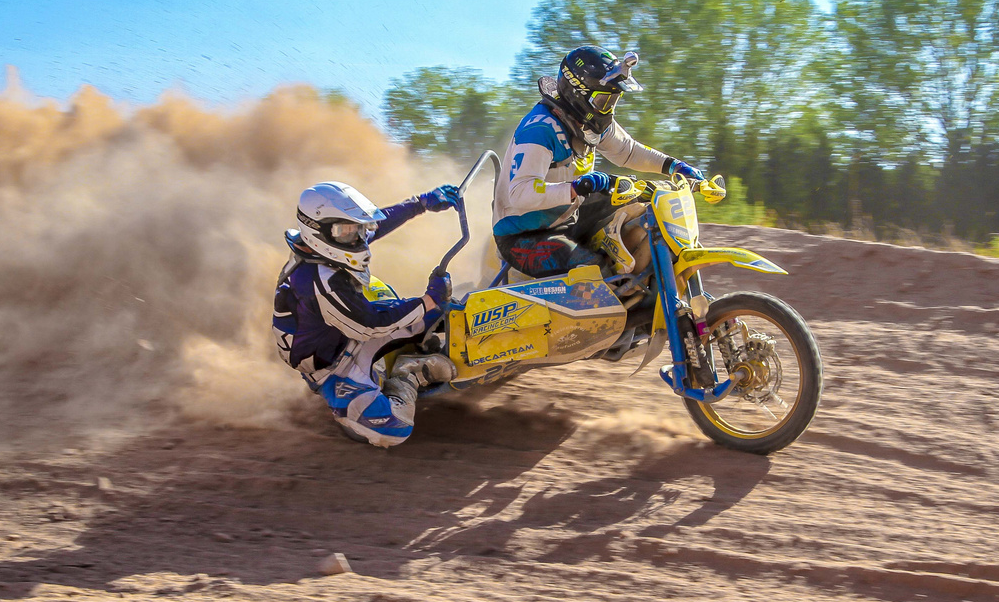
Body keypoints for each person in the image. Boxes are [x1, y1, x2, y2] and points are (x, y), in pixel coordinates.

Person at [492, 45, 708, 280]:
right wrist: (576, 188)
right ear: (579, 93)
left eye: (614, 99)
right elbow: (520, 193)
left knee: (649, 216)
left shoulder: (588, 120)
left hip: (568, 214)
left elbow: (629, 151)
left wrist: (674, 167)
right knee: (593, 270)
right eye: (604, 99)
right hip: (524, 234)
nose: (609, 108)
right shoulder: (540, 130)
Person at [273, 180, 460, 448]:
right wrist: (428, 299)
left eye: (358, 228)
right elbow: (369, 325)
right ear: (317, 230)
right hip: (332, 365)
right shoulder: (318, 280)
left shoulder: (324, 245)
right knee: (392, 430)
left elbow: (377, 227)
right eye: (347, 230)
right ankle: (408, 373)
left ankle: (398, 357)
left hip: (343, 331)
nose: (357, 237)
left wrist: (421, 202)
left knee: (435, 315)